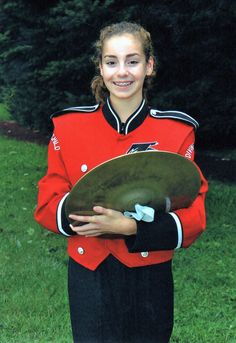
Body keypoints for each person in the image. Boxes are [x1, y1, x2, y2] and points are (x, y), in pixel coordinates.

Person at [35, 21, 208, 343]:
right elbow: (48, 202)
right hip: (90, 269)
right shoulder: (68, 127)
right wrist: (94, 219)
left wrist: (132, 228)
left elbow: (195, 214)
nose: (122, 72)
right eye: (112, 62)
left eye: (133, 60)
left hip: (150, 271)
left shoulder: (177, 131)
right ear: (100, 67)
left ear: (149, 66)